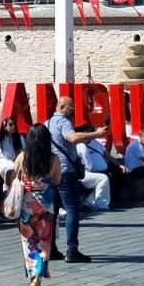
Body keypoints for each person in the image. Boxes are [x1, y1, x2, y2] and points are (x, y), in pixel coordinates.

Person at [48, 97, 104, 263]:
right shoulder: (64, 122)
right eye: (71, 108)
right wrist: (97, 134)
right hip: (66, 172)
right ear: (62, 106)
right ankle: (72, 250)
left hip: (52, 171)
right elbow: (72, 138)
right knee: (72, 210)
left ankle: (50, 248)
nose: (72, 112)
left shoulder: (48, 122)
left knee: (53, 211)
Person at [12, 122, 60, 286]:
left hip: (26, 206)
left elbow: (13, 176)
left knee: (29, 245)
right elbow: (56, 180)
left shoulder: (22, 157)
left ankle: (34, 280)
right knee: (44, 245)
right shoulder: (53, 160)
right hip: (46, 206)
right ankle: (36, 282)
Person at [78, 134, 113, 212]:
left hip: (73, 174)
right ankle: (101, 204)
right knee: (103, 178)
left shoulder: (73, 144)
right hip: (82, 175)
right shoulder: (81, 146)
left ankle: (90, 201)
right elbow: (87, 164)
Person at [0, 118, 23, 192]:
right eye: (10, 124)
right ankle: (6, 186)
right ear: (5, 127)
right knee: (8, 167)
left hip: (16, 161)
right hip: (3, 161)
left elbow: (23, 152)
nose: (13, 126)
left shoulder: (20, 138)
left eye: (14, 124)